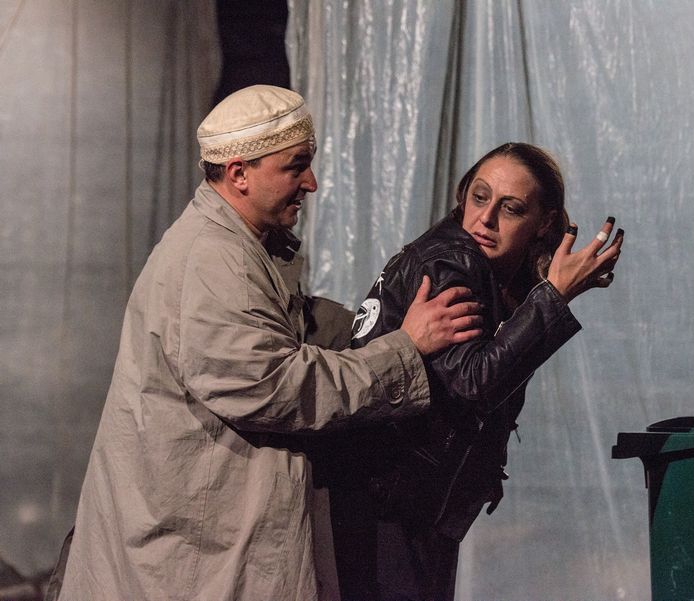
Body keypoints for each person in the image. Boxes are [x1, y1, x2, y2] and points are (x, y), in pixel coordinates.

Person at [54, 85, 482, 601]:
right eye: (295, 166)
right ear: (239, 173)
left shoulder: (237, 245)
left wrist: (374, 324)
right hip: (193, 555)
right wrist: (404, 350)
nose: (311, 183)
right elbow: (277, 386)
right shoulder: (214, 261)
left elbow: (287, 325)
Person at [325, 142, 624, 601]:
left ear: (544, 222)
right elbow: (472, 382)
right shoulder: (452, 261)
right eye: (479, 197)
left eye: (511, 208)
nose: (485, 218)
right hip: (385, 505)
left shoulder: (492, 272)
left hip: (408, 504)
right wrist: (554, 299)